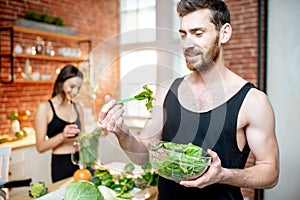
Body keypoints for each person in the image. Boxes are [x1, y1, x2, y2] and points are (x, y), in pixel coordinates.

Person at [98, 0, 279, 199]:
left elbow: (270, 172)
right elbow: (143, 154)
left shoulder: (252, 101)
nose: (187, 44)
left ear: (224, 33)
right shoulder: (166, 91)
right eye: (183, 34)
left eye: (198, 33)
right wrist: (122, 132)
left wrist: (223, 175)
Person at [35, 64, 85, 183]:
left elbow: (83, 139)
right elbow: (40, 147)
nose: (75, 92)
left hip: (81, 160)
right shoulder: (45, 108)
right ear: (61, 82)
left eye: (78, 87)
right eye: (72, 86)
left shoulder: (78, 107)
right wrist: (62, 136)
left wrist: (98, 133)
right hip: (61, 164)